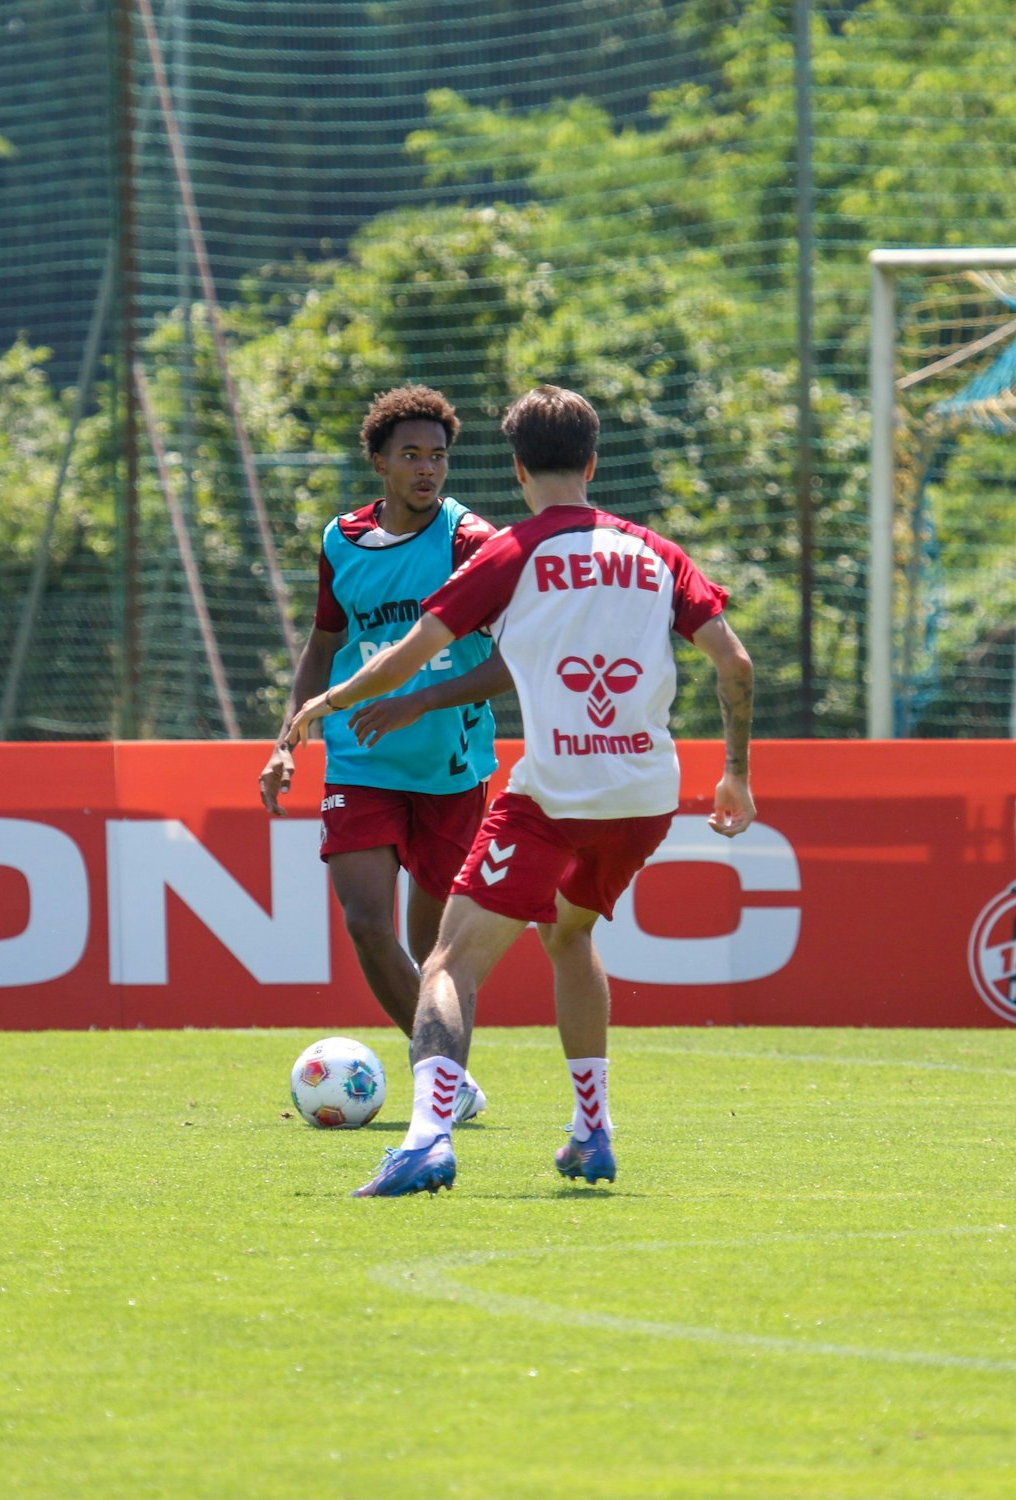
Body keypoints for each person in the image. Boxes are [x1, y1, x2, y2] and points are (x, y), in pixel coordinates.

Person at [285, 385, 754, 1197]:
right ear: (594, 461)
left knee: (449, 962)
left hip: (554, 794)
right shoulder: (653, 551)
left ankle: (429, 1141)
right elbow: (736, 663)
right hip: (646, 796)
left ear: (517, 468)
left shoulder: (512, 550)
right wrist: (738, 774)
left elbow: (413, 649)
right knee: (570, 937)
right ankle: (592, 1132)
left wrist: (328, 702)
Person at [259, 386, 509, 1123]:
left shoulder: (472, 543)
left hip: (449, 769)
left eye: (438, 456)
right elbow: (324, 647)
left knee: (435, 955)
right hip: (361, 760)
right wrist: (287, 744)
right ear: (379, 462)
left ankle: (440, 1082)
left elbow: (517, 660)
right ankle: (444, 1083)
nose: (427, 469)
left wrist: (423, 699)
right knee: (366, 921)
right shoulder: (341, 541)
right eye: (411, 455)